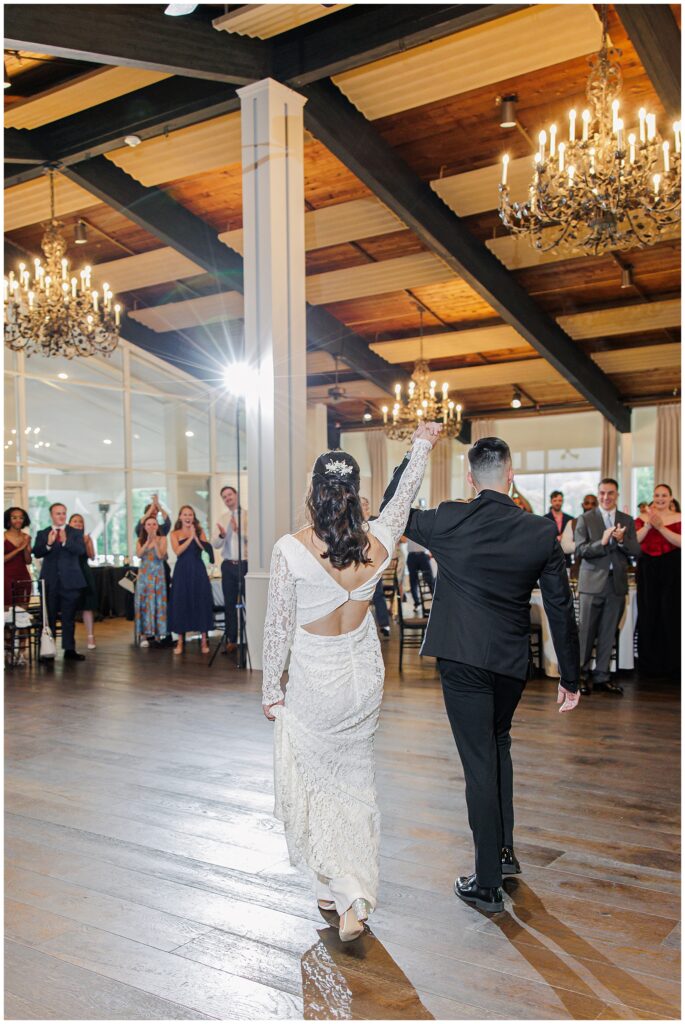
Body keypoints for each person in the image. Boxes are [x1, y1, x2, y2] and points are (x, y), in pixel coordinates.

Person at [381, 436, 580, 914]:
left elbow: (391, 510)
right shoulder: (539, 530)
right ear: (510, 476)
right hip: (511, 663)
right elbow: (560, 606)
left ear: (471, 478)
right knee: (498, 744)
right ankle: (505, 852)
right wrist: (570, 678)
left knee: (479, 762)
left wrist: (416, 453)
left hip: (464, 660)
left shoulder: (451, 517)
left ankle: (487, 881)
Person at [261, 423, 440, 942]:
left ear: (314, 494)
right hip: (363, 681)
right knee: (354, 784)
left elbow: (276, 627)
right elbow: (403, 496)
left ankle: (350, 897)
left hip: (318, 682)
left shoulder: (290, 550)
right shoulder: (380, 541)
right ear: (357, 494)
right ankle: (332, 890)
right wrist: (422, 444)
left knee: (319, 785)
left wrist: (271, 688)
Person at [574, 478, 641, 696]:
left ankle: (602, 676)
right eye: (602, 493)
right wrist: (601, 542)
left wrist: (621, 541)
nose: (606, 497)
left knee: (608, 633)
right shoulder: (585, 519)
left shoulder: (627, 520)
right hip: (591, 585)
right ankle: (580, 677)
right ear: (598, 493)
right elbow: (580, 551)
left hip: (616, 585)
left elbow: (636, 551)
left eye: (610, 493)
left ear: (617, 494)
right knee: (585, 634)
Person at [634, 483, 681, 679]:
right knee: (648, 611)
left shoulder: (679, 517)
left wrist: (661, 527)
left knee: (671, 613)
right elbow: (635, 541)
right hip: (647, 568)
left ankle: (673, 664)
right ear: (653, 497)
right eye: (657, 495)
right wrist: (648, 525)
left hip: (672, 568)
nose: (660, 498)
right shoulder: (643, 518)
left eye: (664, 495)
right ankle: (648, 664)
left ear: (671, 498)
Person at [33, 502, 87, 660]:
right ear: (51, 515)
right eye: (58, 513)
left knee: (69, 618)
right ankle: (48, 650)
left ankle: (70, 650)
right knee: (48, 617)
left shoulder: (75, 533)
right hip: (49, 582)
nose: (61, 516)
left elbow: (81, 551)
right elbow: (36, 553)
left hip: (70, 581)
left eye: (64, 513)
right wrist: (49, 544)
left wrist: (65, 542)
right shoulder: (43, 533)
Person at [168, 505, 214, 655]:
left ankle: (203, 640)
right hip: (182, 570)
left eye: (190, 514)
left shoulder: (200, 531)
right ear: (180, 517)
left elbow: (205, 549)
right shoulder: (174, 533)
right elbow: (178, 551)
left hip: (198, 569)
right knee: (182, 603)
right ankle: (180, 641)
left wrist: (196, 535)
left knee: (200, 601)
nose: (188, 517)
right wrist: (190, 538)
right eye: (185, 514)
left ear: (193, 517)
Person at [212, 485, 248, 654]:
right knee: (229, 604)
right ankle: (232, 640)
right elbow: (216, 545)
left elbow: (254, 540)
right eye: (224, 497)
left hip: (246, 564)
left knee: (250, 603)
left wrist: (238, 531)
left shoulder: (248, 515)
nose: (228, 498)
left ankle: (252, 638)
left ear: (236, 495)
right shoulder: (222, 517)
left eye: (229, 495)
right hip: (228, 565)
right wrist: (221, 535)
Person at [135, 514, 168, 647]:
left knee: (158, 602)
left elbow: (161, 556)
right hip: (144, 575)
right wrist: (148, 541)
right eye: (149, 524)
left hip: (158, 574)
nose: (152, 526)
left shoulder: (163, 539)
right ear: (144, 526)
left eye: (154, 524)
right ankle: (143, 635)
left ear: (157, 526)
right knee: (143, 603)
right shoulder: (140, 540)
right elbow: (139, 554)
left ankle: (158, 633)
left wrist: (155, 542)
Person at [360, 495, 391, 638]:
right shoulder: (352, 523)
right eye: (362, 505)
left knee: (378, 594)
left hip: (373, 564)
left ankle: (384, 624)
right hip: (358, 565)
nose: (365, 507)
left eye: (367, 505)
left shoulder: (375, 521)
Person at [68, 514, 98, 651]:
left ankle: (90, 635)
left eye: (80, 521)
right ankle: (70, 638)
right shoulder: (66, 537)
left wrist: (87, 542)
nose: (78, 523)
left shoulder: (86, 538)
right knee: (70, 607)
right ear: (69, 524)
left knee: (87, 605)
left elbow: (92, 556)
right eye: (75, 521)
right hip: (71, 572)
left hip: (84, 571)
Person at [4, 506, 32, 607]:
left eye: (21, 518)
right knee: (6, 612)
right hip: (5, 578)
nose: (18, 520)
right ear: (8, 520)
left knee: (23, 611)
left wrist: (25, 547)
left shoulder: (26, 537)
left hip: (23, 576)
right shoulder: (3, 536)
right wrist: (19, 549)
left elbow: (28, 561)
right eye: (14, 518)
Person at [560, 494, 598, 561]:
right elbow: (565, 547)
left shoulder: (604, 522)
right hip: (578, 568)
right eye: (587, 503)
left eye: (593, 504)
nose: (590, 506)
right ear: (582, 505)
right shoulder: (572, 523)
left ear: (597, 506)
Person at [406, 537, 434, 612]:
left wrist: (433, 552)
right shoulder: (407, 526)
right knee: (413, 582)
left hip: (423, 555)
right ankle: (417, 604)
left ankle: (436, 602)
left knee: (430, 580)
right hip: (411, 556)